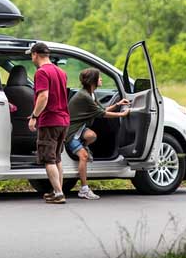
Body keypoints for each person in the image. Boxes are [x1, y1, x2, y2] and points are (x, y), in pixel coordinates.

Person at [65, 67, 130, 200]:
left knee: (92, 135)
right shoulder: (84, 96)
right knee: (83, 156)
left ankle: (83, 146)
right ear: (92, 81)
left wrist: (117, 104)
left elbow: (101, 109)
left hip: (80, 129)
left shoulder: (90, 94)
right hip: (71, 133)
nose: (101, 79)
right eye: (99, 77)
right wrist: (122, 113)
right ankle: (84, 189)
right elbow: (102, 114)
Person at [27, 42, 70, 204]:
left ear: (35, 54)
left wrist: (34, 116)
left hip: (49, 120)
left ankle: (59, 193)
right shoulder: (61, 72)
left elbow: (43, 96)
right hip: (63, 120)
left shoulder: (42, 73)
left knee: (48, 159)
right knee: (57, 158)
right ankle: (57, 190)